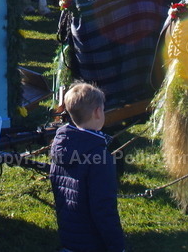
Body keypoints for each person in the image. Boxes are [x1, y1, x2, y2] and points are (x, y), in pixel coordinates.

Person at [49, 82, 125, 252]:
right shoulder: (99, 157)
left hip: (70, 238)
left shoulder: (60, 146)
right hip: (93, 243)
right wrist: (117, 246)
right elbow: (104, 209)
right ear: (98, 112)